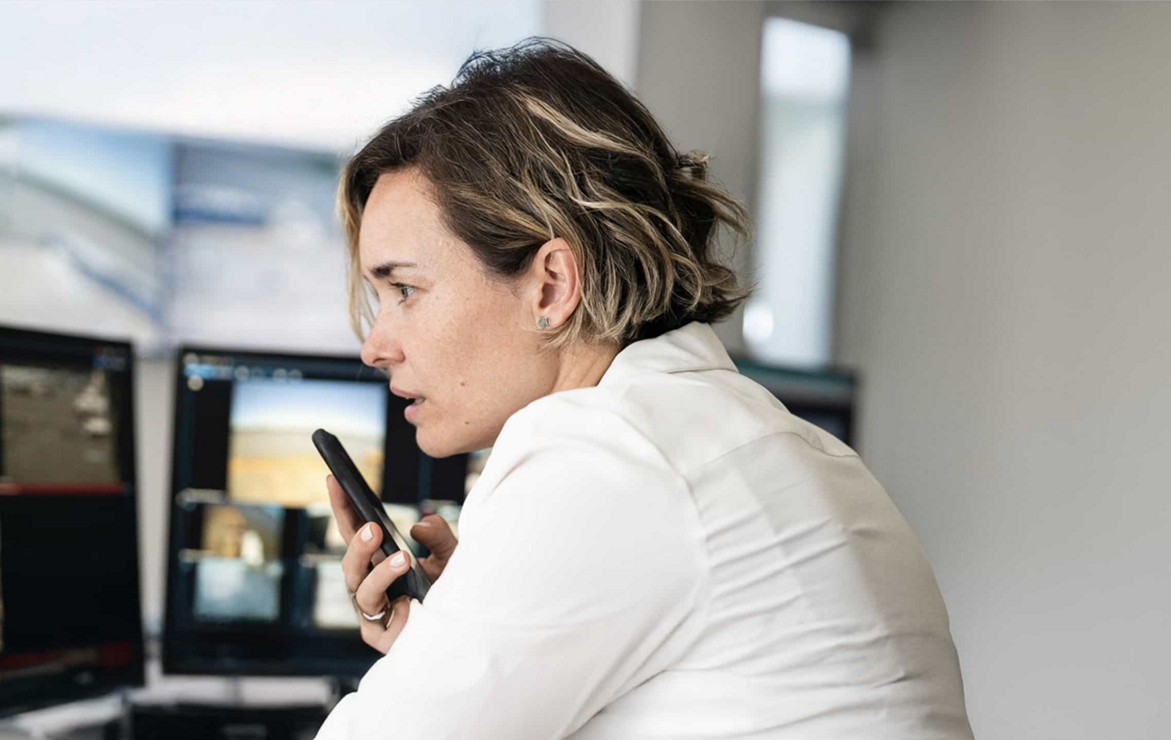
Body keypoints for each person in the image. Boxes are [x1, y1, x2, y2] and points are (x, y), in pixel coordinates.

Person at [315, 39, 974, 740]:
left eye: (406, 290)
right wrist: (460, 637)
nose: (374, 346)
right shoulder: (764, 440)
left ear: (552, 284)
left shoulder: (606, 455)